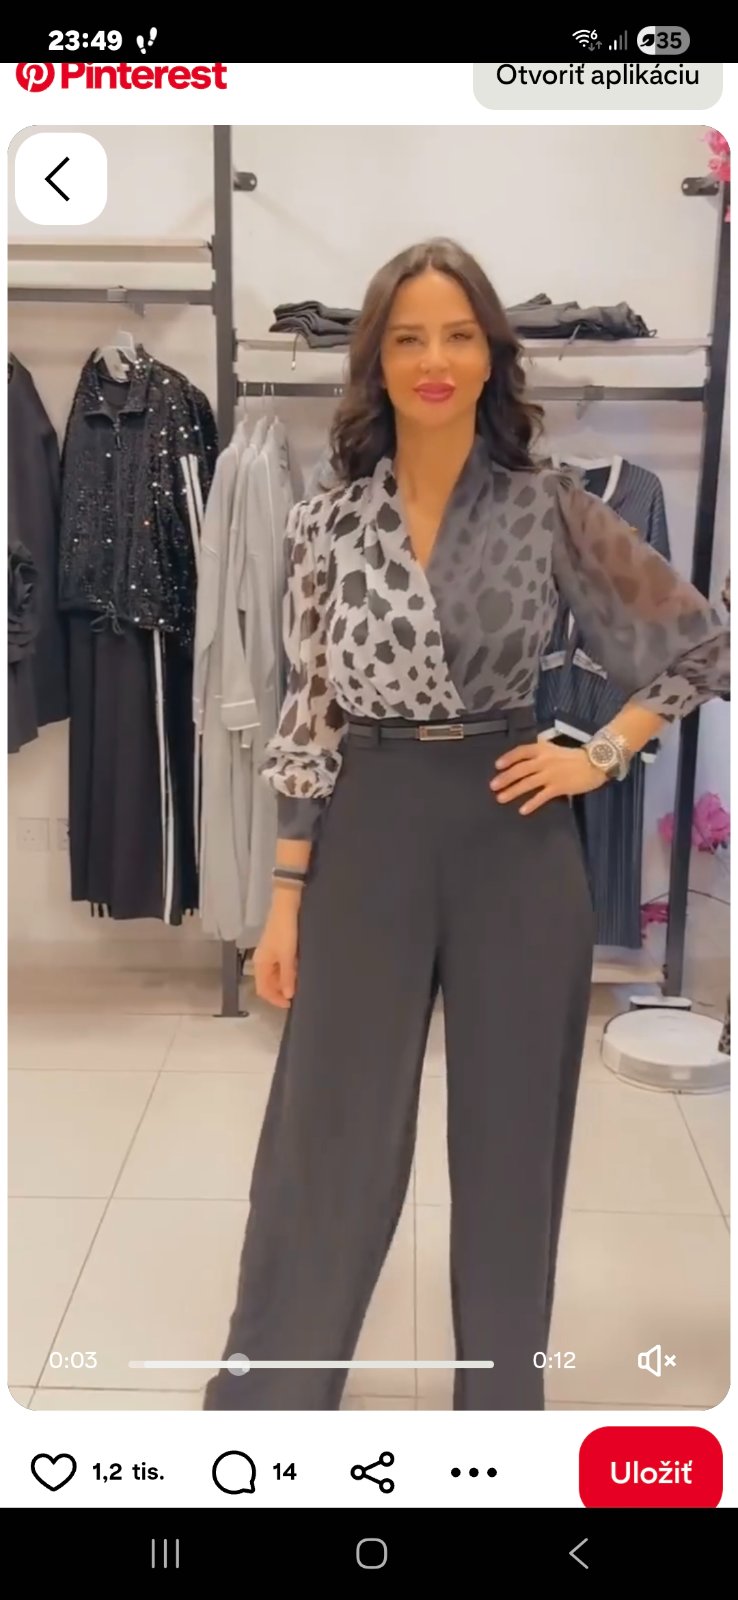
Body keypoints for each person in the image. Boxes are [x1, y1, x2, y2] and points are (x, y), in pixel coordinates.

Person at [204, 238, 729, 1411]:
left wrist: (602, 750)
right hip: (368, 828)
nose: (433, 358)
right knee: (325, 1141)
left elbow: (698, 642)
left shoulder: (550, 508)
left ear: (491, 355)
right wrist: (284, 896)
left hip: (512, 836)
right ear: (377, 360)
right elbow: (310, 710)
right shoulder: (327, 523)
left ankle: (500, 1419)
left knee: (510, 1153)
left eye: (456, 334)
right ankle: (270, 1406)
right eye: (408, 337)